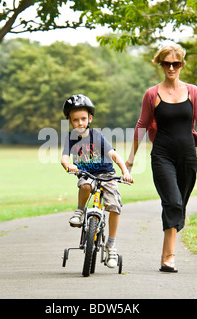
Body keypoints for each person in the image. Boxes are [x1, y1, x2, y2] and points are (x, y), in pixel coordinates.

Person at [125, 42, 197, 273]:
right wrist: (131, 159)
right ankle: (169, 257)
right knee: (173, 202)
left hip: (187, 157)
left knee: (179, 207)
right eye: (167, 63)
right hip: (162, 155)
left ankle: (166, 252)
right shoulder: (152, 94)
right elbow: (142, 125)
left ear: (182, 64)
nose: (171, 68)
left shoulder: (193, 91)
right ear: (161, 64)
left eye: (176, 63)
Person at [61, 94, 133, 268]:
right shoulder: (71, 138)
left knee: (114, 206)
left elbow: (114, 155)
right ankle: (79, 211)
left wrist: (125, 172)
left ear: (90, 118)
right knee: (85, 185)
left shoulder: (97, 135)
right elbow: (64, 158)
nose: (80, 123)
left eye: (83, 119)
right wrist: (68, 165)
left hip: (106, 174)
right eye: (75, 120)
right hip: (86, 173)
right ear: (70, 121)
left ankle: (111, 244)